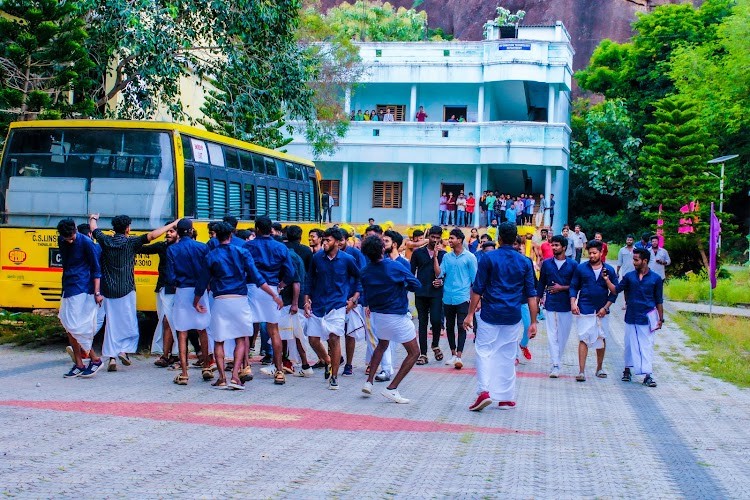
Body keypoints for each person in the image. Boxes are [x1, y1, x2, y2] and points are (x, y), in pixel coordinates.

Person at [464, 222, 538, 411]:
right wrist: (534, 322)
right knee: (507, 354)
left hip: (490, 313)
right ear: (516, 239)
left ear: (499, 238)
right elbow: (531, 294)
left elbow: (478, 288)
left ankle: (484, 391)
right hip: (513, 315)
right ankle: (506, 398)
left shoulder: (488, 258)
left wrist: (470, 314)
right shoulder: (525, 261)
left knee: (484, 351)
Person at [195, 222, 278, 390]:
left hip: (220, 300)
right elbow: (257, 278)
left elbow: (202, 282)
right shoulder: (243, 252)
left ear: (216, 236)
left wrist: (196, 301)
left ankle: (221, 378)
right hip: (240, 299)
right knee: (241, 338)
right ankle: (234, 376)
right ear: (231, 235)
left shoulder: (211, 256)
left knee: (219, 340)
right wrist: (274, 295)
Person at [90, 214, 176, 372]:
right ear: (128, 228)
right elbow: (152, 235)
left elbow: (94, 230)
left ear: (114, 228)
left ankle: (111, 358)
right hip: (127, 289)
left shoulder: (106, 240)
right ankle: (123, 350)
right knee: (128, 323)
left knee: (111, 324)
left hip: (109, 290)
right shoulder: (131, 242)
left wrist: (93, 218)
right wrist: (173, 224)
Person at [360, 235, 422, 403]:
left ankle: (369, 381)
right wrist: (401, 285)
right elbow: (416, 284)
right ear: (382, 249)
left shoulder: (365, 271)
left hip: (377, 316)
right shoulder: (394, 266)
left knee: (382, 345)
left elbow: (365, 294)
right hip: (396, 315)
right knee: (414, 352)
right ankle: (392, 388)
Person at [304, 227, 361, 390]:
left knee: (334, 339)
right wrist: (306, 300)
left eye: (328, 240)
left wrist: (354, 299)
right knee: (313, 340)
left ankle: (334, 377)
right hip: (318, 304)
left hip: (337, 305)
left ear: (337, 242)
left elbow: (359, 279)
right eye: (323, 240)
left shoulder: (347, 259)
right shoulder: (317, 258)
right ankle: (327, 361)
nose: (324, 243)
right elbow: (309, 280)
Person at [243, 216, 296, 385]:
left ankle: (246, 366)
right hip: (272, 289)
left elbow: (242, 268)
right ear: (271, 230)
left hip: (252, 288)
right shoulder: (280, 247)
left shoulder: (248, 246)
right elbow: (290, 272)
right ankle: (279, 370)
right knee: (274, 331)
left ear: (257, 229)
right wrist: (280, 286)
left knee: (247, 330)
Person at [606, 248, 663, 387]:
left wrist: (661, 319)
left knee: (647, 345)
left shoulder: (656, 279)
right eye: (633, 259)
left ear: (645, 261)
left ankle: (647, 374)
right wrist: (607, 280)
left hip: (648, 317)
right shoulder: (629, 276)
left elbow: (659, 300)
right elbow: (615, 290)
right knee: (629, 344)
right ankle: (627, 370)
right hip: (631, 315)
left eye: (636, 260)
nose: (634, 262)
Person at [166, 218, 213, 385]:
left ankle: (184, 373)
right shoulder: (202, 247)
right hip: (200, 292)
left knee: (182, 332)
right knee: (203, 329)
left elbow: (170, 276)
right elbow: (209, 271)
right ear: (192, 231)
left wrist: (178, 283)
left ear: (178, 232)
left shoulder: (172, 250)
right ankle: (207, 366)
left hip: (182, 291)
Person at [57, 219, 104, 378]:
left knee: (77, 327)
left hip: (83, 288)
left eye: (71, 237)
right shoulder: (62, 240)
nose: (70, 240)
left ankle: (95, 359)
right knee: (68, 326)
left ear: (76, 230)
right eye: (66, 238)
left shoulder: (86, 242)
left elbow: (96, 269)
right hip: (68, 287)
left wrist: (97, 293)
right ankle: (79, 363)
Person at [570, 240, 618, 381]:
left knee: (601, 338)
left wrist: (606, 307)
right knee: (583, 338)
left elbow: (615, 292)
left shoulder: (609, 270)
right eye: (589, 253)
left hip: (602, 310)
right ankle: (581, 371)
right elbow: (574, 286)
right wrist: (573, 303)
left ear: (601, 252)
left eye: (594, 253)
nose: (591, 255)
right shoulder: (581, 268)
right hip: (584, 308)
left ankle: (599, 368)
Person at [537, 235, 577, 378]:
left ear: (564, 247)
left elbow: (576, 285)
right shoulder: (547, 264)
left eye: (556, 245)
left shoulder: (573, 265)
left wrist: (562, 288)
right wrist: (537, 300)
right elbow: (541, 283)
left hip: (566, 305)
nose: (553, 248)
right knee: (552, 336)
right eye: (552, 245)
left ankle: (557, 361)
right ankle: (555, 364)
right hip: (551, 304)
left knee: (563, 336)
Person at [437, 229, 478, 369]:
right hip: (447, 297)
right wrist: (435, 257)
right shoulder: (447, 257)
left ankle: (459, 356)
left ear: (460, 240)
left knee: (462, 326)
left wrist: (476, 301)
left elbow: (475, 280)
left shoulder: (470, 257)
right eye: (449, 238)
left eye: (452, 238)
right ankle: (453, 354)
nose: (449, 241)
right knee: (449, 326)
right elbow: (439, 274)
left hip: (463, 297)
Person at [140, 224, 179, 366]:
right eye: (167, 231)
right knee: (165, 320)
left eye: (171, 231)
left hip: (177, 289)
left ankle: (169, 355)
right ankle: (169, 354)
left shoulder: (181, 248)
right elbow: (142, 248)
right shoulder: (162, 246)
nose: (168, 234)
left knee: (170, 321)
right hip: (164, 287)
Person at [410, 225, 446, 365]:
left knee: (436, 320)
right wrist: (413, 286)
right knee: (423, 323)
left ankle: (435, 344)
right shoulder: (418, 253)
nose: (435, 240)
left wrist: (441, 281)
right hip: (421, 292)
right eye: (432, 237)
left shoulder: (443, 255)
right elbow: (411, 272)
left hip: (436, 293)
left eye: (438, 238)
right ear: (428, 236)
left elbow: (446, 273)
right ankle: (423, 353)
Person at [339, 229, 368, 377]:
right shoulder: (324, 255)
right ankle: (337, 358)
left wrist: (355, 298)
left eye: (340, 240)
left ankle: (349, 364)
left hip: (352, 300)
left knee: (349, 333)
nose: (337, 243)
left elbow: (361, 276)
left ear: (346, 239)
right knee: (333, 332)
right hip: (333, 299)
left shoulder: (355, 254)